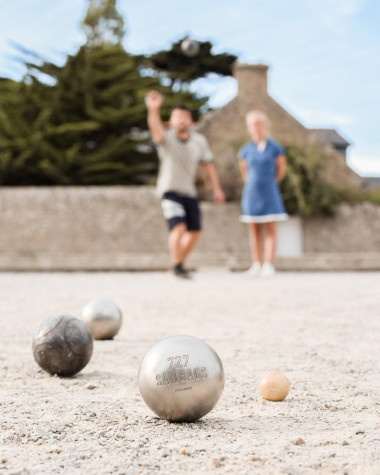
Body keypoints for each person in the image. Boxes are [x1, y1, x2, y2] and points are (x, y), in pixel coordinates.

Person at [145, 90, 225, 279]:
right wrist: (153, 109)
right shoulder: (167, 138)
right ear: (170, 121)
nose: (182, 120)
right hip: (169, 190)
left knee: (195, 232)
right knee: (179, 228)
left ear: (191, 121)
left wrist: (216, 189)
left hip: (189, 192)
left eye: (185, 117)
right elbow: (155, 129)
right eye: (177, 117)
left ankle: (177, 263)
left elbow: (208, 166)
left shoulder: (199, 141)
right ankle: (178, 267)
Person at [238, 110, 287, 277]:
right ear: (249, 128)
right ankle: (256, 264)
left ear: (265, 126)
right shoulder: (245, 150)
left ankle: (268, 264)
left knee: (270, 229)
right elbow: (244, 173)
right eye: (253, 125)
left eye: (259, 124)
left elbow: (281, 171)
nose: (256, 128)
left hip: (270, 192)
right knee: (254, 231)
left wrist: (269, 183)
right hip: (251, 194)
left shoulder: (275, 148)